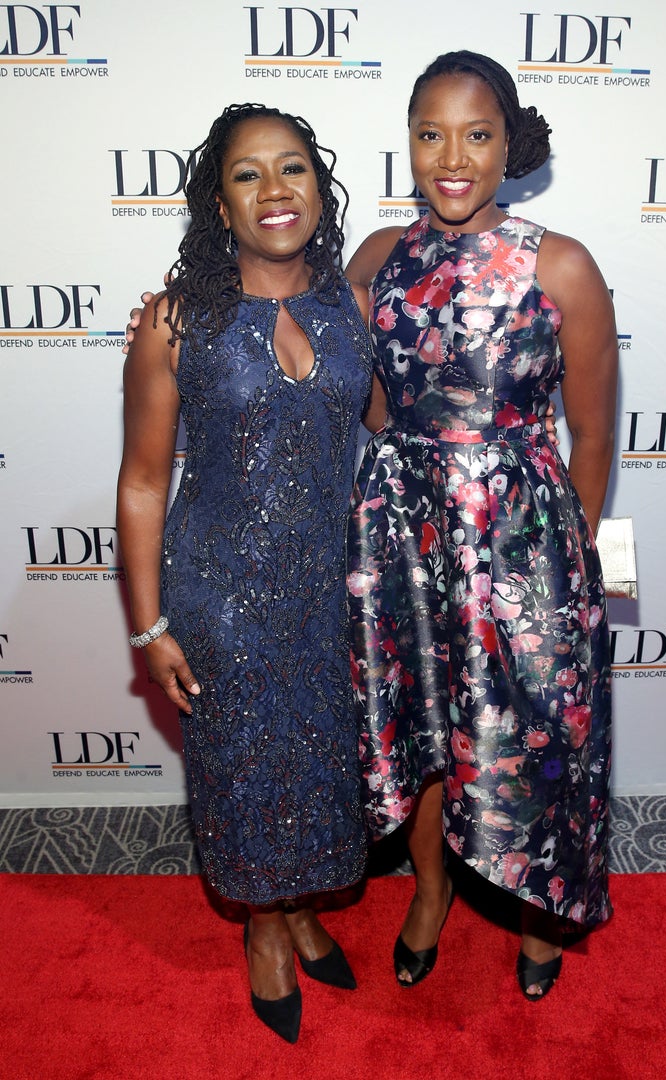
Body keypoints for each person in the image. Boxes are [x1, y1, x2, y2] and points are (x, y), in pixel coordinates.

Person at [345, 50, 617, 999]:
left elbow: (590, 436)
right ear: (409, 144)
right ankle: (430, 894)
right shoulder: (377, 259)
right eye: (430, 134)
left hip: (524, 549)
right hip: (405, 542)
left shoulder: (562, 266)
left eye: (476, 133)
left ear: (511, 142)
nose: (451, 157)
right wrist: (186, 312)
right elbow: (336, 378)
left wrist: (562, 561)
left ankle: (540, 913)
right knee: (421, 732)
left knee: (535, 736)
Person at [116, 102, 385, 1043]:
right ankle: (266, 930)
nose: (275, 190)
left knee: (317, 776)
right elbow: (146, 482)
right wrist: (149, 628)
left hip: (331, 602)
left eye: (294, 168)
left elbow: (398, 441)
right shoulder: (176, 320)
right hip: (220, 601)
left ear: (320, 183)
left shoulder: (354, 305)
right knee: (242, 777)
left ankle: (303, 904)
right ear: (216, 204)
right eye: (246, 174)